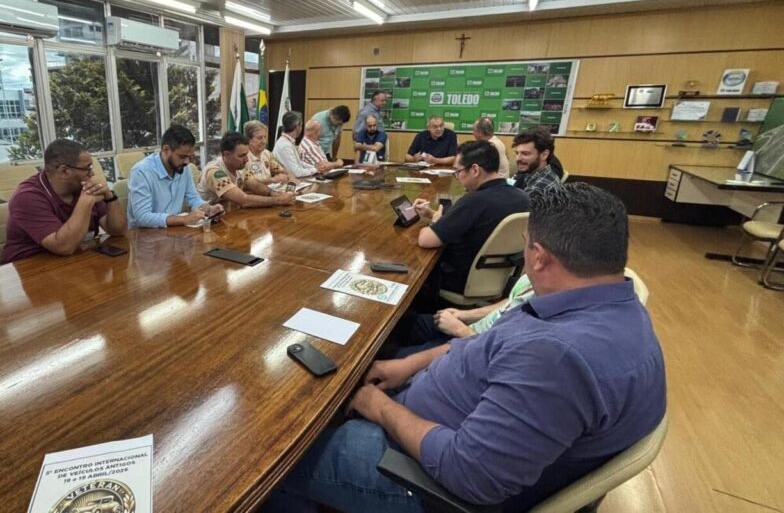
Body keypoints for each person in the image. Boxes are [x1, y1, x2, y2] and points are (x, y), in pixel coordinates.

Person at [268, 183, 667, 512]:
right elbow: (488, 345)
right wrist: (407, 366)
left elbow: (470, 476)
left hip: (421, 482)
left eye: (525, 246)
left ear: (539, 258)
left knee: (276, 465)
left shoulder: (558, 357)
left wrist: (380, 408)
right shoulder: (599, 302)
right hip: (438, 416)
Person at [409, 140, 529, 311]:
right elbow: (476, 223)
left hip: (458, 280)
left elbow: (426, 240)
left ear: (475, 170)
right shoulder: (523, 197)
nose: (457, 177)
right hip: (501, 278)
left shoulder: (474, 201)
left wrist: (435, 220)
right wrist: (432, 213)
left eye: (458, 171)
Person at [2, 139, 126, 263]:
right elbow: (64, 247)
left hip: (76, 258)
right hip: (31, 264)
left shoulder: (81, 186)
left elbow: (117, 230)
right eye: (87, 168)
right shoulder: (27, 197)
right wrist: (85, 203)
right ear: (64, 171)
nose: (92, 173)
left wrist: (110, 197)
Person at [127, 125, 223, 228]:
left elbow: (193, 198)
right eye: (182, 156)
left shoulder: (184, 168)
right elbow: (142, 217)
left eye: (189, 157)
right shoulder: (141, 172)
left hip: (173, 231)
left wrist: (208, 209)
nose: (187, 162)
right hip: (144, 234)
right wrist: (183, 219)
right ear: (166, 150)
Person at [197, 132, 296, 208]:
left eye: (246, 154)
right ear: (227, 154)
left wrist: (274, 194)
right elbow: (244, 200)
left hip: (229, 211)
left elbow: (255, 185)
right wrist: (279, 200)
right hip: (208, 220)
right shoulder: (215, 172)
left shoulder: (240, 166)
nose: (247, 159)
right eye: (241, 156)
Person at [512, 127, 563, 198]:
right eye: (517, 153)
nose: (518, 158)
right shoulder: (532, 174)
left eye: (525, 154)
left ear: (544, 155)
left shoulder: (539, 189)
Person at [274, 111, 319, 178]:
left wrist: (314, 167)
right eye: (301, 125)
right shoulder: (285, 145)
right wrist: (315, 170)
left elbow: (298, 163)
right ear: (297, 126)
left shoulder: (287, 141)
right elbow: (296, 173)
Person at [243, 120, 289, 185]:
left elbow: (281, 170)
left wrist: (288, 176)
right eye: (259, 138)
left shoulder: (266, 153)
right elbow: (247, 185)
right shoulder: (243, 157)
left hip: (271, 189)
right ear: (248, 139)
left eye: (265, 137)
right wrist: (271, 180)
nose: (264, 141)